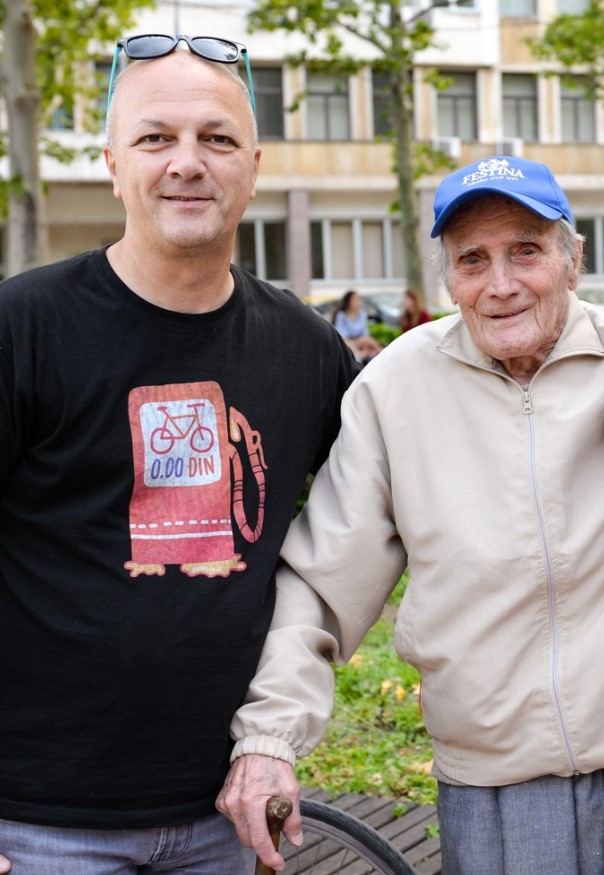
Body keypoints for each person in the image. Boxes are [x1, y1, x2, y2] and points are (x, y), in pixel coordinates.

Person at [0, 37, 359, 875]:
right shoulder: (22, 327)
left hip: (225, 812)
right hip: (38, 823)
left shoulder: (306, 349)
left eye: (217, 138)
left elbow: (374, 514)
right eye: (156, 137)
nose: (187, 163)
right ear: (113, 163)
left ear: (254, 168)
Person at [218, 156, 604, 875]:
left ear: (572, 259)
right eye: (473, 259)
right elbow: (322, 583)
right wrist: (270, 737)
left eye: (526, 250)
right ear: (448, 278)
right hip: (496, 784)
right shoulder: (396, 386)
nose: (501, 284)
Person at [332, 290, 382, 364]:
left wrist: (365, 347)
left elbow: (365, 333)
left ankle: (380, 355)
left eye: (358, 299)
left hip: (361, 342)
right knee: (354, 352)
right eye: (354, 300)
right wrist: (357, 342)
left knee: (373, 346)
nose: (357, 302)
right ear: (348, 301)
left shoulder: (362, 315)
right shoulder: (341, 315)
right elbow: (341, 335)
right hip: (347, 343)